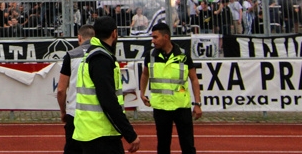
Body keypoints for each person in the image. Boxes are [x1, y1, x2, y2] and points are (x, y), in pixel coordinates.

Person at [73, 16, 141, 154]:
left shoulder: (94, 55)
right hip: (100, 133)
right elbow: (108, 100)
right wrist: (130, 134)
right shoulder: (101, 58)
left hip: (91, 131)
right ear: (114, 33)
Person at [139, 23, 202, 154]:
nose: (153, 40)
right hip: (161, 107)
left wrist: (197, 103)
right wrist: (142, 92)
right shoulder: (150, 55)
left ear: (166, 37)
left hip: (181, 106)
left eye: (156, 37)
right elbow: (145, 74)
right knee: (163, 145)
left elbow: (194, 79)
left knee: (188, 145)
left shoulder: (183, 55)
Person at [56, 24, 95, 154]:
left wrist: (63, 111)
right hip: (96, 113)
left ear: (79, 38)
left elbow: (61, 89)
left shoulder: (71, 56)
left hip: (75, 112)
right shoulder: (103, 54)